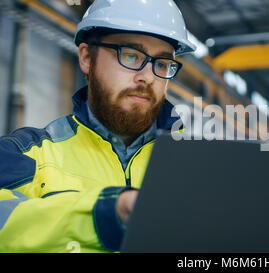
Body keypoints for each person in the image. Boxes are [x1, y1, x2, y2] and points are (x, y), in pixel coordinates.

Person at [0, 0, 195, 253]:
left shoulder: (195, 167)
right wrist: (105, 215)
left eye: (161, 64)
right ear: (86, 58)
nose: (147, 76)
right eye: (131, 56)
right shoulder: (25, 153)